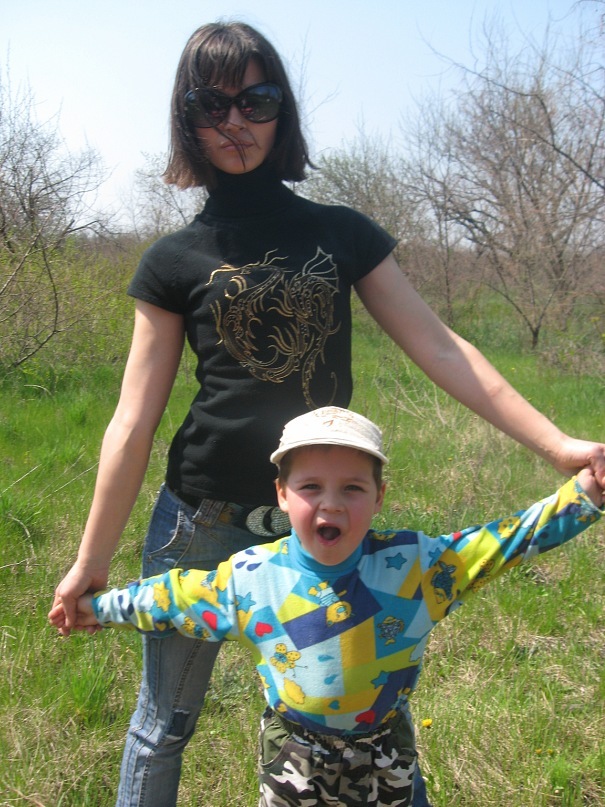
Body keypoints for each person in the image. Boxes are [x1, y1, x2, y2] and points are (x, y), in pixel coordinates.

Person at [49, 20, 605, 807]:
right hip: (201, 520)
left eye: (255, 100)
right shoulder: (171, 260)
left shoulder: (338, 232)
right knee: (163, 724)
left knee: (361, 713)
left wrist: (556, 445)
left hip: (325, 513)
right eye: (211, 105)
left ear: (282, 110)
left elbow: (440, 347)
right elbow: (132, 421)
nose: (235, 121)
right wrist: (92, 558)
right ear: (186, 117)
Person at [50, 406, 604, 807]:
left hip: (386, 749)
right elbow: (170, 597)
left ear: (379, 496)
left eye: (353, 488)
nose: (331, 504)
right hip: (293, 756)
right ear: (281, 495)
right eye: (311, 486)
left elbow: (508, 541)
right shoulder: (251, 579)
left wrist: (584, 495)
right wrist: (100, 606)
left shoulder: (418, 567)